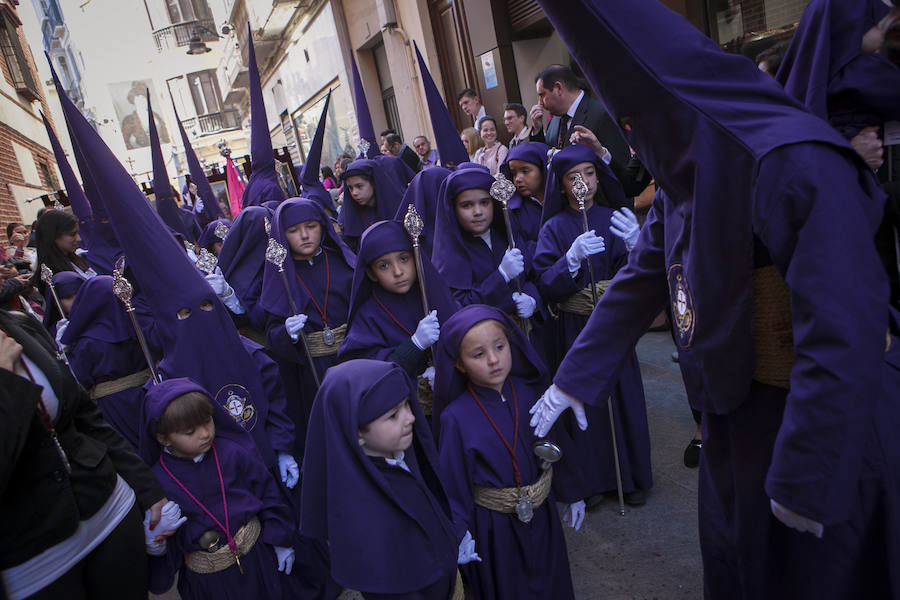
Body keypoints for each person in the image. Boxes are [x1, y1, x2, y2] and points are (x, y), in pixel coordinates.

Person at [528, 0, 900, 598]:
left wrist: (810, 472)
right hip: (736, 411)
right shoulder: (689, 175)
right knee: (737, 562)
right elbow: (640, 279)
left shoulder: (795, 160)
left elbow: (843, 325)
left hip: (822, 416)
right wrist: (576, 377)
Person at [0, 308, 169, 599]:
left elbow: (85, 416)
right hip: (34, 563)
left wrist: (146, 487)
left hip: (111, 511)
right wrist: (5, 380)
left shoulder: (19, 323)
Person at [532, 143, 652, 506]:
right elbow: (545, 281)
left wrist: (636, 246)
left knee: (622, 397)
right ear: (563, 185)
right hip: (575, 327)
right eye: (573, 176)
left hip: (611, 327)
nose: (583, 181)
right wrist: (569, 261)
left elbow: (636, 276)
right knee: (585, 402)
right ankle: (593, 480)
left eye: (589, 173)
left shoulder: (611, 217)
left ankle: (630, 476)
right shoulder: (553, 227)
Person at [432, 305, 578, 599]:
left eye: (500, 347)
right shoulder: (455, 417)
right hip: (494, 528)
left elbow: (551, 448)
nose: (494, 359)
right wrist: (458, 532)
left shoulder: (530, 394)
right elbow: (453, 484)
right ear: (459, 364)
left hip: (542, 514)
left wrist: (573, 491)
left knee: (552, 582)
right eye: (478, 355)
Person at [300, 359, 474, 599]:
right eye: (393, 415)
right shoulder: (361, 514)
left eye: (406, 405)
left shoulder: (404, 459)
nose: (410, 418)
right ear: (357, 433)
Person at [141, 378, 297, 599]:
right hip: (209, 582)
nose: (205, 433)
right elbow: (169, 548)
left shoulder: (232, 453)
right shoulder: (157, 482)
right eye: (190, 432)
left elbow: (267, 492)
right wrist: (156, 544)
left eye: (208, 422)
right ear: (163, 438)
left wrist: (281, 540)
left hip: (258, 560)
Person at [261, 198, 356, 456]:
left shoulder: (342, 264)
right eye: (293, 230)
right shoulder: (280, 273)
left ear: (322, 226)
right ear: (283, 234)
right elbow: (271, 333)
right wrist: (287, 333)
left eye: (311, 226)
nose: (304, 235)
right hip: (313, 371)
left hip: (354, 358)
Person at [338, 221, 458, 384]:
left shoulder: (435, 294)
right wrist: (414, 345)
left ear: (415, 258)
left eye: (403, 259)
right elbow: (364, 371)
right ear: (371, 274)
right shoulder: (368, 316)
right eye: (384, 265)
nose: (398, 272)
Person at [431, 167, 539, 322]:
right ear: (453, 209)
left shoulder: (506, 235)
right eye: (467, 205)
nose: (478, 211)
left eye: (484, 202)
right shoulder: (450, 252)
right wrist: (501, 276)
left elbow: (532, 276)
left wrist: (533, 299)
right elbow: (459, 306)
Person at [58, 275, 153, 448]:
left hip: (113, 407)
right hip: (145, 395)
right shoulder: (136, 326)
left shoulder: (87, 343)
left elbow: (81, 380)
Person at [530, 64, 630, 164]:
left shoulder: (602, 114)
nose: (540, 103)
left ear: (558, 88)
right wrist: (537, 130)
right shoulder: (554, 121)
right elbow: (545, 159)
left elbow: (621, 167)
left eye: (542, 95)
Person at [338, 158, 406, 252]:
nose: (354, 193)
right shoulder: (350, 217)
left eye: (359, 186)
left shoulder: (397, 206)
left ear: (373, 183)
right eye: (350, 188)